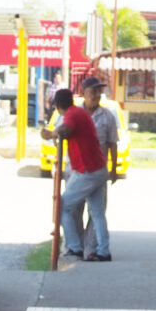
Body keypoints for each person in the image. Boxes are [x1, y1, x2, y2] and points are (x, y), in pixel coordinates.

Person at [41, 88, 112, 261]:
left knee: (61, 206)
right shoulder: (80, 112)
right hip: (99, 168)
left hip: (87, 170)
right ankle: (104, 251)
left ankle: (74, 246)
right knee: (97, 213)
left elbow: (66, 128)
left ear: (57, 106)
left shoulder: (72, 115)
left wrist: (51, 133)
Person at [79, 76, 119, 261]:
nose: (96, 95)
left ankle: (95, 249)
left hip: (98, 172)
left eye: (98, 91)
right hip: (76, 172)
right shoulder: (74, 114)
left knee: (97, 212)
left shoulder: (108, 116)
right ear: (83, 93)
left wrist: (113, 169)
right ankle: (76, 247)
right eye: (92, 91)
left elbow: (112, 144)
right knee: (71, 210)